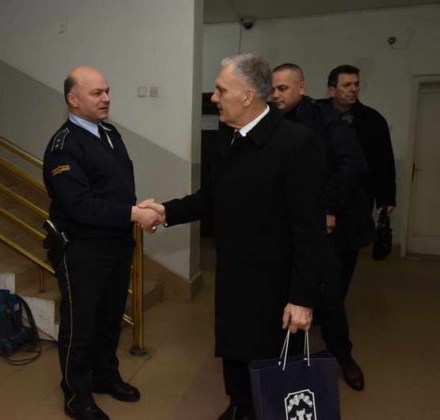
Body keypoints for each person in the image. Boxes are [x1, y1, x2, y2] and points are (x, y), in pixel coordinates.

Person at [140, 54, 327, 420]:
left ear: (247, 95)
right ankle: (239, 405)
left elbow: (310, 229)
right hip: (233, 279)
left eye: (221, 90)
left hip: (276, 288)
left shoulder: (297, 143)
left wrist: (302, 299)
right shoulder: (227, 140)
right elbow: (211, 197)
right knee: (235, 354)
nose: (214, 97)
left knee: (270, 370)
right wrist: (165, 212)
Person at [42, 66, 160, 420]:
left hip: (116, 243)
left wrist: (134, 210)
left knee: (110, 318)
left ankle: (105, 376)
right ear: (73, 99)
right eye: (97, 93)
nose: (106, 98)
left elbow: (115, 186)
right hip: (82, 249)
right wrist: (134, 214)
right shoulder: (63, 146)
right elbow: (80, 206)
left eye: (107, 91)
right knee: (81, 325)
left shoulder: (109, 132)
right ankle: (76, 394)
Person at [272, 63, 374, 391]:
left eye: (283, 88)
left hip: (331, 228)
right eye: (272, 89)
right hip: (292, 228)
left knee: (330, 298)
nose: (276, 95)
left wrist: (326, 209)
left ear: (301, 88)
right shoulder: (272, 122)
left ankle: (344, 357)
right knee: (286, 293)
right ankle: (286, 364)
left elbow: (352, 165)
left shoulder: (326, 119)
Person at [319, 65, 396, 216]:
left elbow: (384, 160)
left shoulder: (373, 120)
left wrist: (386, 198)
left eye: (356, 84)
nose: (353, 89)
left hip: (358, 193)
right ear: (332, 90)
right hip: (322, 190)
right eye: (347, 85)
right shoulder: (316, 112)